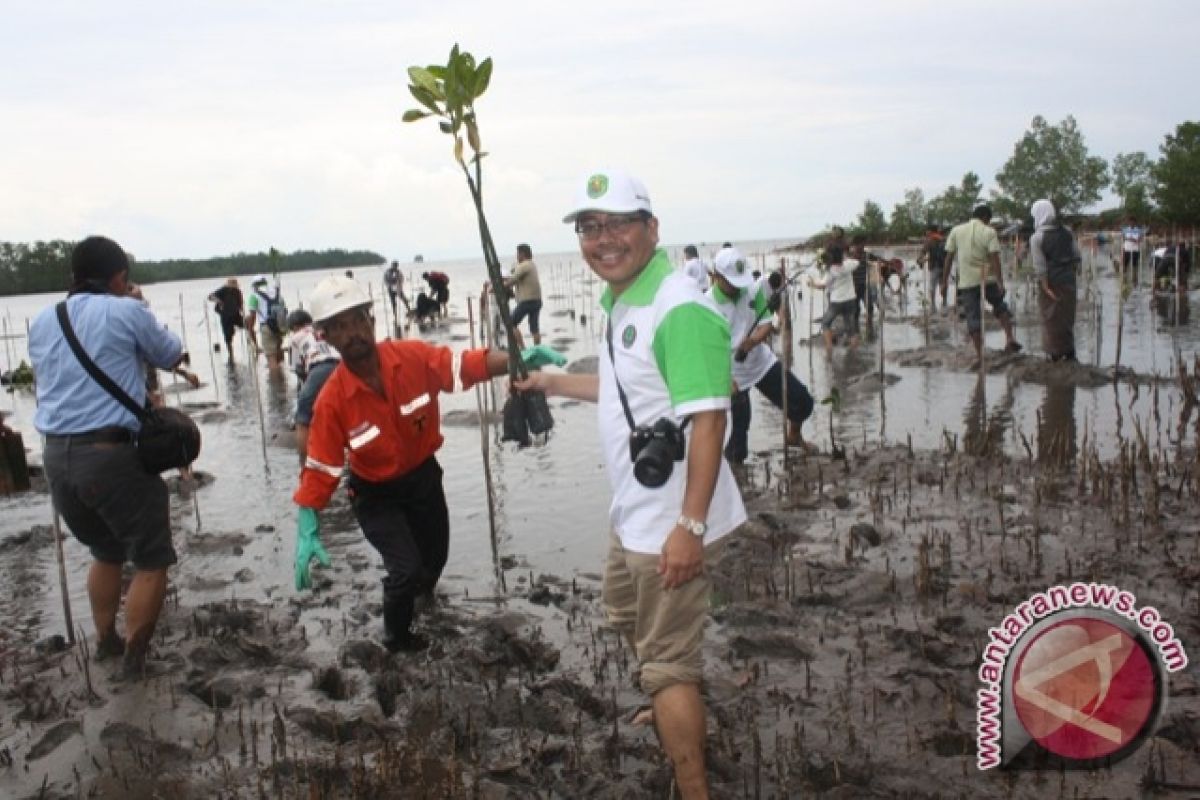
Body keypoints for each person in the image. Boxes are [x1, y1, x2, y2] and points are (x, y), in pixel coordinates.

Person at [516, 169, 746, 799]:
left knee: (667, 660)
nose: (602, 239)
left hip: (672, 520)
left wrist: (689, 528)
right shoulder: (624, 301)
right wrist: (555, 381)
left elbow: (709, 421)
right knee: (623, 612)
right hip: (634, 514)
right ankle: (671, 695)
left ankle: (692, 780)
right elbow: (633, 397)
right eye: (590, 228)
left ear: (652, 229)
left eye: (618, 223)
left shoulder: (681, 308)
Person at [292, 275, 514, 652]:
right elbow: (322, 467)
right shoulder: (332, 400)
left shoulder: (411, 357)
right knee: (404, 569)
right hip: (375, 495)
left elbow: (464, 365)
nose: (353, 333)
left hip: (424, 480)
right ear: (325, 336)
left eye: (358, 320)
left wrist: (515, 362)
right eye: (340, 327)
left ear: (372, 320)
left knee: (433, 562)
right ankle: (397, 639)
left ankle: (423, 599)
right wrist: (308, 520)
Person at [28, 236, 190, 678]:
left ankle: (106, 642)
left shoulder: (44, 320)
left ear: (72, 278)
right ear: (119, 277)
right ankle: (135, 662)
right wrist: (139, 305)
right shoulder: (126, 310)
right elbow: (171, 352)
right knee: (153, 558)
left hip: (56, 458)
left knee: (105, 549)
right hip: (110, 454)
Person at [707, 247, 814, 463]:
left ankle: (793, 435)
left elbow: (766, 323)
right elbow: (706, 351)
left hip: (760, 361)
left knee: (802, 402)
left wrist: (753, 341)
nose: (738, 288)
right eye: (731, 282)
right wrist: (725, 379)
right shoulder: (706, 305)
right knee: (738, 439)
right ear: (716, 277)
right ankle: (735, 480)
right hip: (732, 372)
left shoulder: (751, 290)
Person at [944, 204, 1021, 364]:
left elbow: (949, 258)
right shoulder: (989, 232)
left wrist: (944, 282)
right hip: (988, 279)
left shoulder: (956, 231)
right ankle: (1009, 338)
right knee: (1000, 306)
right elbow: (995, 258)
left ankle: (980, 355)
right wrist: (1000, 281)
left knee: (973, 316)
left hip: (967, 282)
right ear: (986, 218)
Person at [286, 309, 341, 465]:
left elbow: (297, 368)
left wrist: (306, 388)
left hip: (320, 367)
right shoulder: (322, 328)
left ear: (295, 326)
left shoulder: (296, 337)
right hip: (343, 366)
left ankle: (305, 464)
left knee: (303, 417)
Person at [1030, 200, 1081, 363]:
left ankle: (1055, 354)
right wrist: (1070, 273)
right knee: (1067, 317)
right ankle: (1069, 352)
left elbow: (1040, 266)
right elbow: (1077, 256)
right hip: (1068, 280)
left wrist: (1045, 286)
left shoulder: (1037, 238)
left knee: (1051, 317)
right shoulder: (1067, 232)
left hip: (1051, 282)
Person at [809, 246, 860, 352]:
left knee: (826, 323)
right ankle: (854, 352)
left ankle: (829, 348)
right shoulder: (848, 264)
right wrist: (845, 259)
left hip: (837, 301)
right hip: (850, 299)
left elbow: (822, 285)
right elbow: (856, 262)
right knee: (850, 327)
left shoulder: (831, 270)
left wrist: (812, 284)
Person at [505, 243, 544, 346]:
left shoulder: (524, 265)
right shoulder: (531, 264)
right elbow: (517, 276)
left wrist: (499, 286)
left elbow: (512, 280)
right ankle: (537, 349)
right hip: (537, 300)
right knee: (534, 328)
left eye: (517, 254)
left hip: (527, 301)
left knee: (510, 324)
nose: (516, 256)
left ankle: (522, 348)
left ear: (522, 254)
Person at [246, 274, 287, 369]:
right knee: (279, 351)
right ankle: (283, 377)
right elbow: (283, 309)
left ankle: (275, 381)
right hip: (281, 326)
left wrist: (250, 329)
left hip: (266, 326)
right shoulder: (276, 293)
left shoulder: (254, 296)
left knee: (271, 357)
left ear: (254, 285)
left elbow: (253, 316)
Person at [207, 277, 245, 363]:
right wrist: (219, 301)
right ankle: (231, 354)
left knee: (246, 325)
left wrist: (242, 310)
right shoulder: (223, 290)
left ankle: (253, 345)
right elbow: (210, 296)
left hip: (236, 314)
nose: (233, 286)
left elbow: (240, 303)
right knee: (228, 336)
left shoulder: (237, 291)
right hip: (225, 315)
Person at [916, 225, 948, 312]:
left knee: (932, 287)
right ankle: (944, 303)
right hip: (945, 267)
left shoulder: (929, 240)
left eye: (927, 231)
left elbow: (923, 251)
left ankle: (933, 306)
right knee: (943, 284)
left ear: (930, 231)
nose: (926, 233)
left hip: (934, 267)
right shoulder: (943, 239)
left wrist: (919, 259)